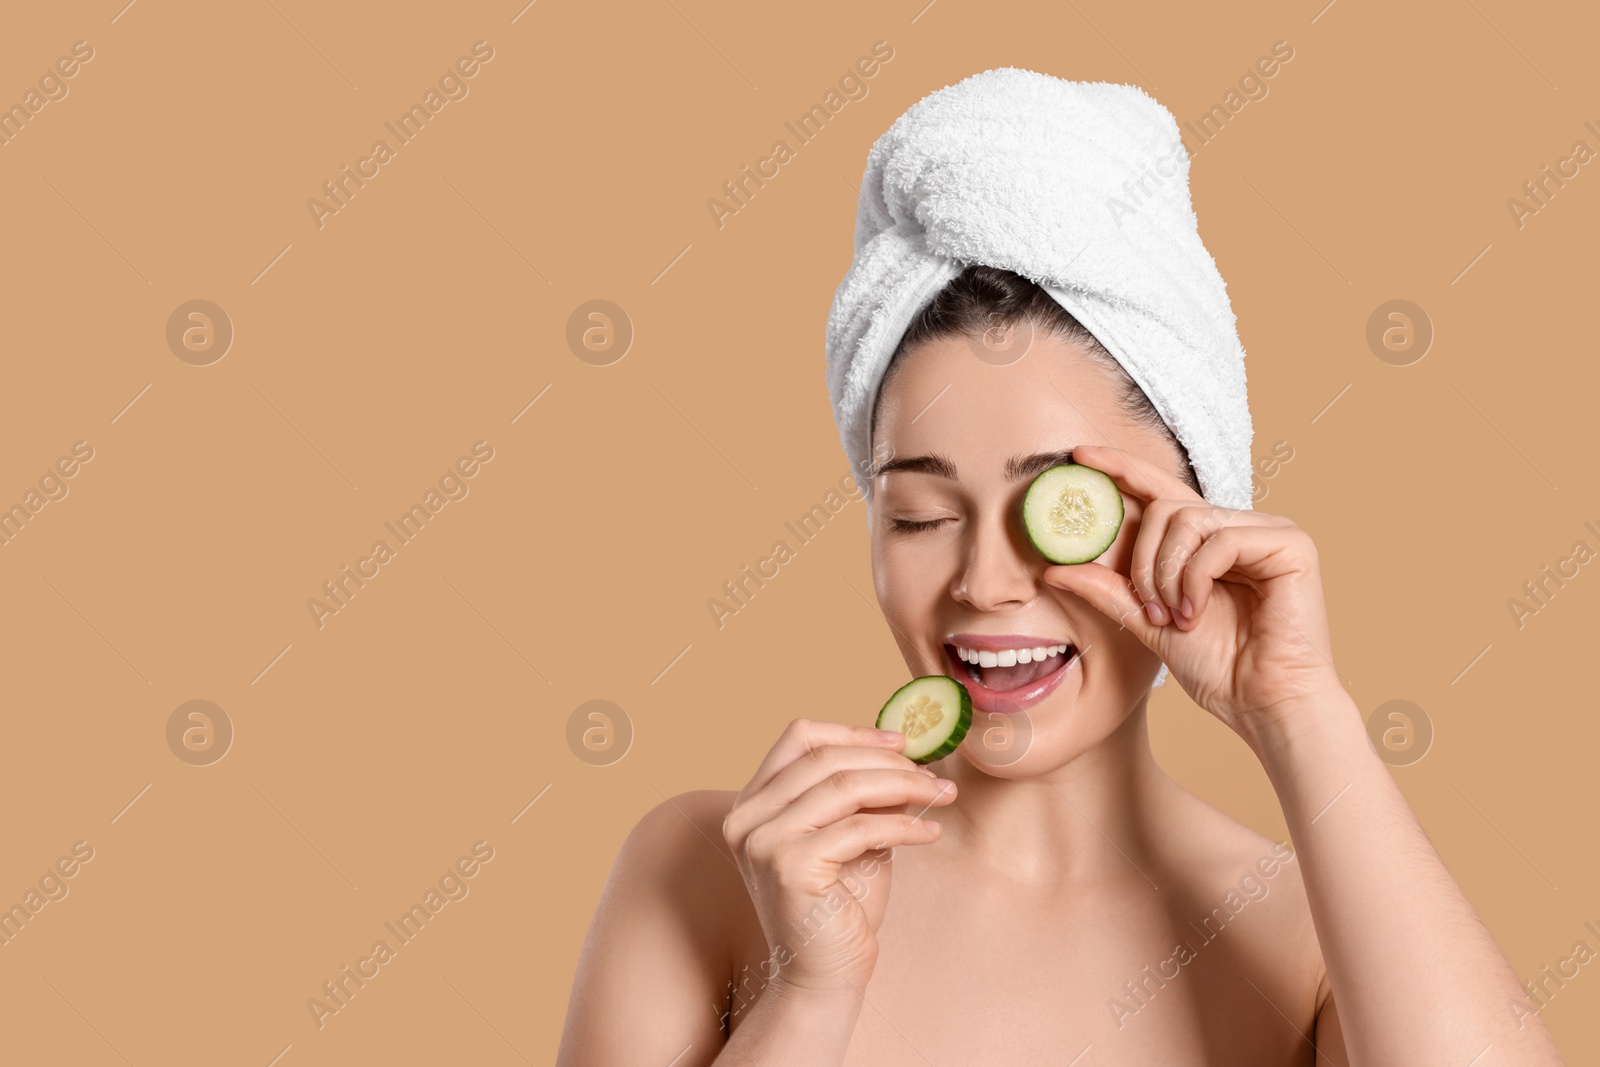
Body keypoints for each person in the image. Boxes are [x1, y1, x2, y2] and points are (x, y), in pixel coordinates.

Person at [556, 70, 1568, 1066]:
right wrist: (811, 995)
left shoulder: (1316, 940)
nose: (986, 582)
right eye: (920, 513)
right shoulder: (718, 871)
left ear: (1192, 506)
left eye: (1057, 512)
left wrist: (1302, 709)